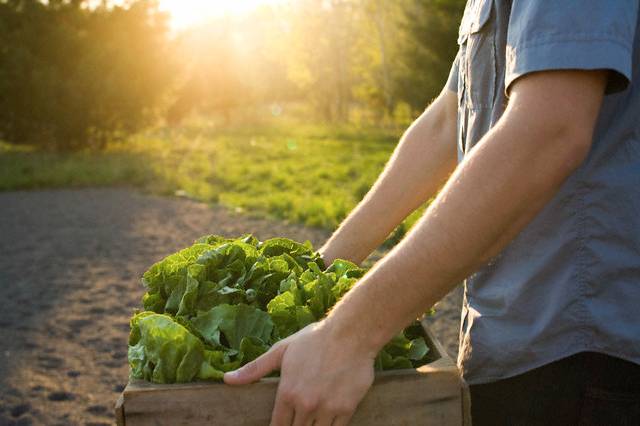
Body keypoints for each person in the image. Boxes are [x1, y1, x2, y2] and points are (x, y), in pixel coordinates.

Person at [225, 1, 640, 424]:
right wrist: (320, 277)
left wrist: (348, 335)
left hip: (586, 352)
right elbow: (449, 120)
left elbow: (550, 129)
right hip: (514, 341)